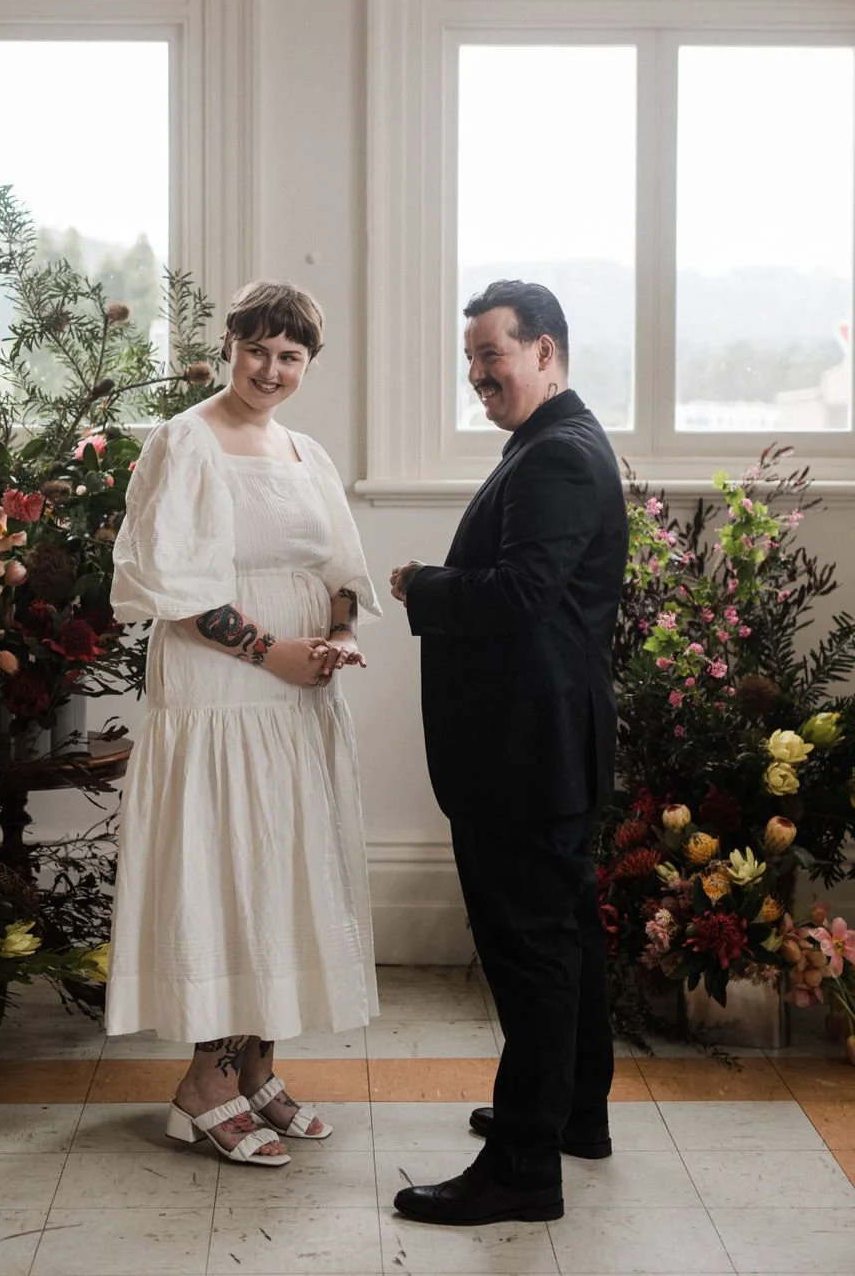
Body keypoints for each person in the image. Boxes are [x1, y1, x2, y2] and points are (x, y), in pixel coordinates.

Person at [107, 279, 380, 1168]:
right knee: (227, 868)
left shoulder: (306, 454)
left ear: (309, 362)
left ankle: (258, 1065)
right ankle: (204, 1085)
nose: (270, 369)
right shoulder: (184, 443)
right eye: (256, 349)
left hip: (297, 701)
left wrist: (335, 637)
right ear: (230, 345)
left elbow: (343, 566)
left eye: (290, 356)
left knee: (282, 867)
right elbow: (176, 593)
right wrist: (275, 654)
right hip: (222, 696)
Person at [389, 279, 628, 1224]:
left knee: (530, 953)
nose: (478, 374)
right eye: (471, 359)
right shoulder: (552, 444)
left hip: (525, 756)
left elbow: (519, 594)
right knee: (568, 938)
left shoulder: (557, 457)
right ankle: (574, 1112)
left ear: (546, 351)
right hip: (544, 750)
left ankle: (525, 1170)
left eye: (493, 354)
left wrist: (424, 587)